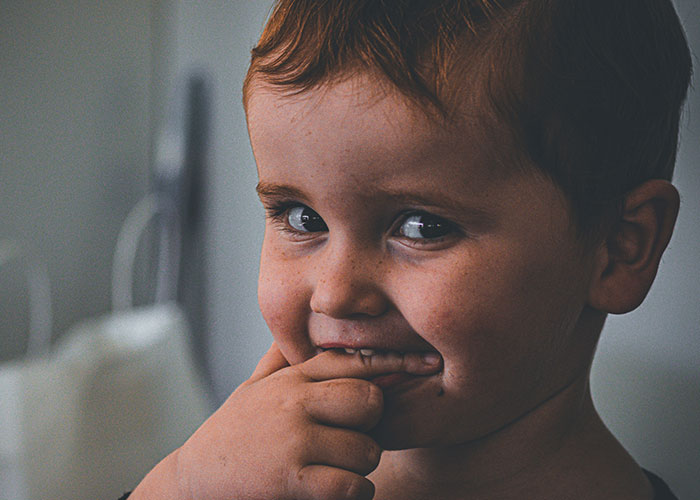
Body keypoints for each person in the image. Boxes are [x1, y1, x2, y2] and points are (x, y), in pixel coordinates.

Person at [126, 1, 692, 498]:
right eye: (303, 219)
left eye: (422, 227)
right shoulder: (241, 487)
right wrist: (184, 485)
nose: (336, 293)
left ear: (620, 249)